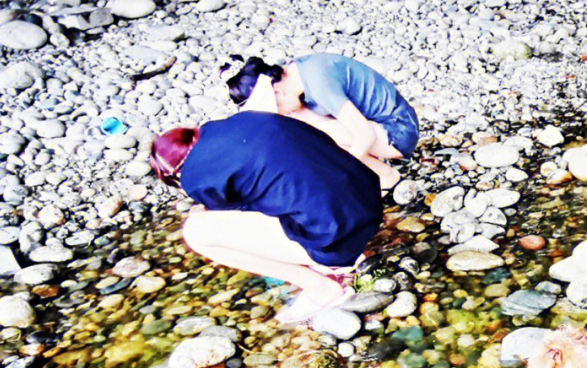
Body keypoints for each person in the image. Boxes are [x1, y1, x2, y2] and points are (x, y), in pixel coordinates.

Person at [149, 110, 383, 327]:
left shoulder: (193, 176)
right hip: (369, 202)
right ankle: (334, 260)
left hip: (337, 238)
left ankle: (321, 286)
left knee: (195, 232)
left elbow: (242, 219)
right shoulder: (243, 119)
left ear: (174, 174)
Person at [226, 52, 418, 190]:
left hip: (399, 132)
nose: (282, 114)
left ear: (277, 91)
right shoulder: (297, 72)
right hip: (380, 126)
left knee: (319, 136)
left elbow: (365, 135)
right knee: (303, 127)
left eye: (278, 109)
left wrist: (341, 171)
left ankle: (385, 175)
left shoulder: (320, 85)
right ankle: (375, 172)